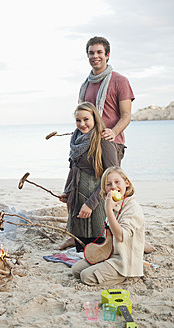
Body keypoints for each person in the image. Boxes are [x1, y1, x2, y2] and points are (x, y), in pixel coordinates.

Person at [71, 166, 145, 286]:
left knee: (86, 276)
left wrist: (108, 210)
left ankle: (129, 277)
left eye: (117, 182)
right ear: (104, 189)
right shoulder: (115, 205)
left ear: (126, 183)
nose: (113, 187)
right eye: (108, 184)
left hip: (124, 262)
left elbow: (120, 236)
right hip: (110, 254)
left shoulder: (133, 209)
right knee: (76, 270)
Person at [59, 102, 117, 252]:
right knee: (81, 244)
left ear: (95, 119)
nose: (82, 124)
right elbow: (73, 168)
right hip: (77, 196)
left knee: (98, 244)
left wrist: (91, 204)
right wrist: (67, 191)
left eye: (86, 119)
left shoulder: (104, 140)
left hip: (96, 199)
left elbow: (111, 177)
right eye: (78, 120)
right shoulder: (76, 140)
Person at [79, 36, 135, 166]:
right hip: (88, 144)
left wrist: (113, 132)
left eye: (99, 52)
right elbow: (81, 115)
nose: (95, 56)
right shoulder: (85, 85)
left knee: (110, 184)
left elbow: (126, 115)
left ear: (107, 55)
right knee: (85, 185)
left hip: (111, 142)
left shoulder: (120, 81)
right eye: (91, 53)